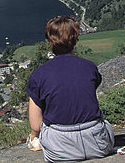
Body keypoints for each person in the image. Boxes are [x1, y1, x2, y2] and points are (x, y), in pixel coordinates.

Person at [25, 16, 114, 162]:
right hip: (98, 144)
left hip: (60, 149)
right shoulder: (89, 67)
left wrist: (34, 137)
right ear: (75, 40)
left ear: (50, 42)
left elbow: (36, 125)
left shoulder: (39, 75)